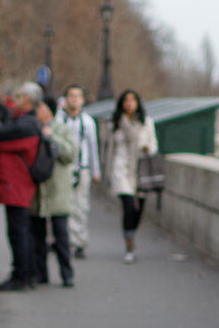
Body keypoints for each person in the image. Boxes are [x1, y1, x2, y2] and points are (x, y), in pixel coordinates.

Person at [0, 82, 45, 291]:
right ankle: (26, 273)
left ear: (27, 99)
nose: (13, 100)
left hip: (17, 185)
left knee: (18, 232)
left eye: (17, 96)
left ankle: (21, 276)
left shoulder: (26, 124)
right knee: (20, 231)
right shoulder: (26, 122)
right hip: (17, 185)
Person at [30, 96, 79, 287]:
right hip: (37, 191)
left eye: (40, 107)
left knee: (61, 236)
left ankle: (67, 274)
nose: (37, 111)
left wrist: (52, 137)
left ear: (49, 110)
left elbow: (69, 155)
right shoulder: (33, 128)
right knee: (37, 236)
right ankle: (41, 274)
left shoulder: (63, 129)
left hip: (57, 190)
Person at [108, 89, 158, 263]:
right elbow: (110, 150)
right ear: (121, 104)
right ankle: (129, 246)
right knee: (128, 207)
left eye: (133, 100)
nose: (129, 103)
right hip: (121, 168)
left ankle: (131, 233)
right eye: (126, 100)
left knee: (139, 210)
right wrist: (107, 173)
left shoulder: (147, 122)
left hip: (140, 170)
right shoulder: (115, 123)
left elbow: (154, 146)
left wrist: (146, 147)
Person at [56, 85, 99, 259]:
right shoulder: (59, 120)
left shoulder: (88, 122)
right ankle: (59, 239)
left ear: (82, 100)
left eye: (78, 96)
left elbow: (93, 147)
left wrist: (96, 171)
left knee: (81, 205)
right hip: (63, 168)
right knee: (61, 204)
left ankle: (79, 242)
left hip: (82, 169)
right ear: (65, 99)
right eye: (71, 96)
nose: (74, 99)